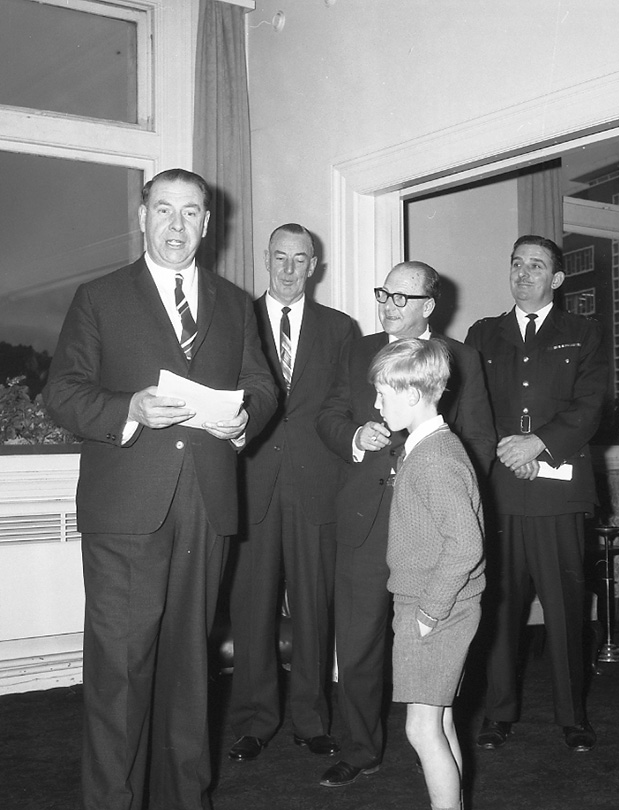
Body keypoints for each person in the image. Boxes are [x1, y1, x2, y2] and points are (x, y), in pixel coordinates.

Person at [43, 169, 278, 810]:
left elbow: (262, 387)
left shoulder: (235, 304)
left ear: (210, 223)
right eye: (165, 210)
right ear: (143, 215)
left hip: (207, 506)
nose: (178, 226)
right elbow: (62, 392)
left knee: (190, 675)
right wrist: (129, 410)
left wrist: (244, 420)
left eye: (192, 213)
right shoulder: (100, 297)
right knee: (120, 676)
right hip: (124, 512)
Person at [315, 261, 495, 787]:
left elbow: (479, 440)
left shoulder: (461, 358)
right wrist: (355, 435)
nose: (388, 305)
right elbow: (327, 415)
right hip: (365, 521)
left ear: (428, 306)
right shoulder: (357, 348)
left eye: (401, 297)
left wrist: (447, 497)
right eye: (383, 294)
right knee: (358, 642)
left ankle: (430, 748)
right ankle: (362, 747)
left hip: (429, 533)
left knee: (425, 648)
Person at [465, 234, 607, 753]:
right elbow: (471, 408)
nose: (524, 273)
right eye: (517, 264)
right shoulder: (484, 333)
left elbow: (590, 407)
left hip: (558, 493)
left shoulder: (583, 333)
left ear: (557, 279)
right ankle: (500, 713)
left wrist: (539, 446)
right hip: (500, 491)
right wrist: (508, 454)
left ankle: (573, 717)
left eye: (537, 266)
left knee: (566, 608)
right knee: (499, 607)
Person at [227, 223, 354, 762]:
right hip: (250, 483)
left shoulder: (340, 329)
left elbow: (343, 408)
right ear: (265, 258)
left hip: (315, 488)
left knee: (312, 608)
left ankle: (311, 718)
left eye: (299, 260)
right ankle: (254, 720)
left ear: (314, 266)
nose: (287, 269)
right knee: (251, 608)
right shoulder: (235, 319)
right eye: (279, 257)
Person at [370, 338, 485, 810]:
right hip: (430, 606)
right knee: (438, 722)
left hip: (434, 609)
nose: (375, 403)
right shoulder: (427, 446)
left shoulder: (435, 458)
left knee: (421, 729)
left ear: (412, 395)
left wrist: (429, 612)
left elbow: (466, 544)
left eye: (381, 393)